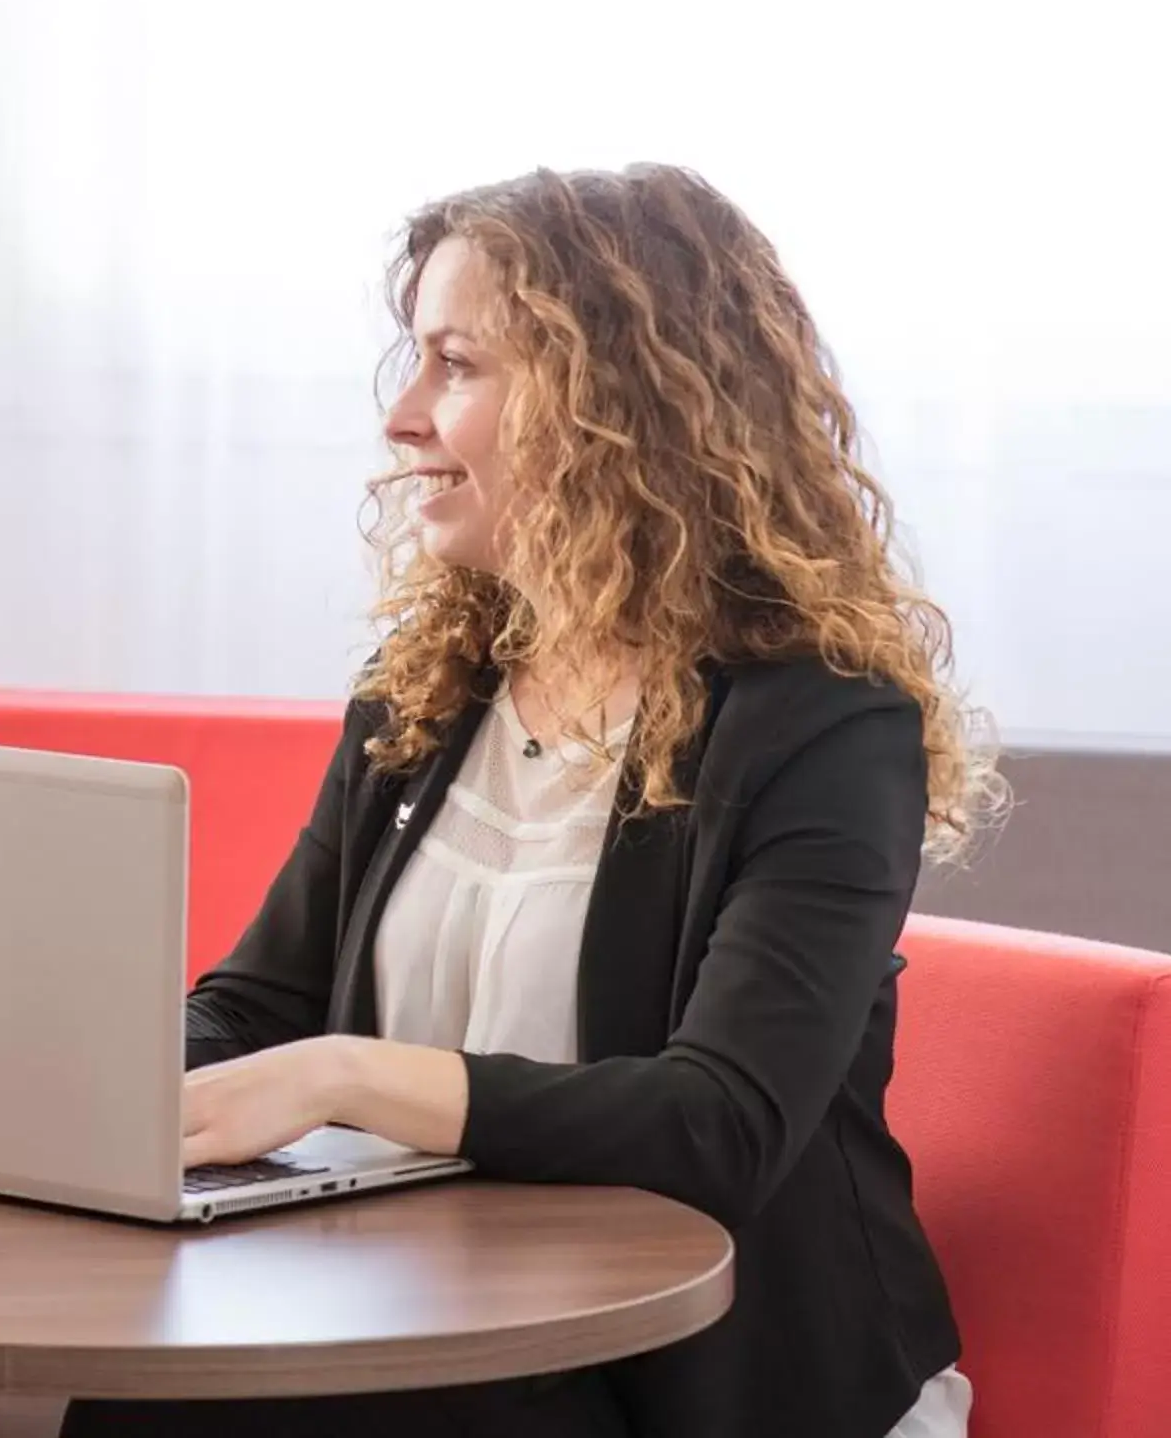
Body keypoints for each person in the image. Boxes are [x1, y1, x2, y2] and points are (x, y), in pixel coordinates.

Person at [68, 166, 997, 1438]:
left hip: (715, 1377)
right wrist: (70, 1085)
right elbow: (260, 1004)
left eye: (456, 364)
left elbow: (718, 1123)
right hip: (449, 1327)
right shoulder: (429, 694)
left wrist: (352, 1076)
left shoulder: (824, 726)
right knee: (142, 1403)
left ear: (618, 407)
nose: (402, 418)